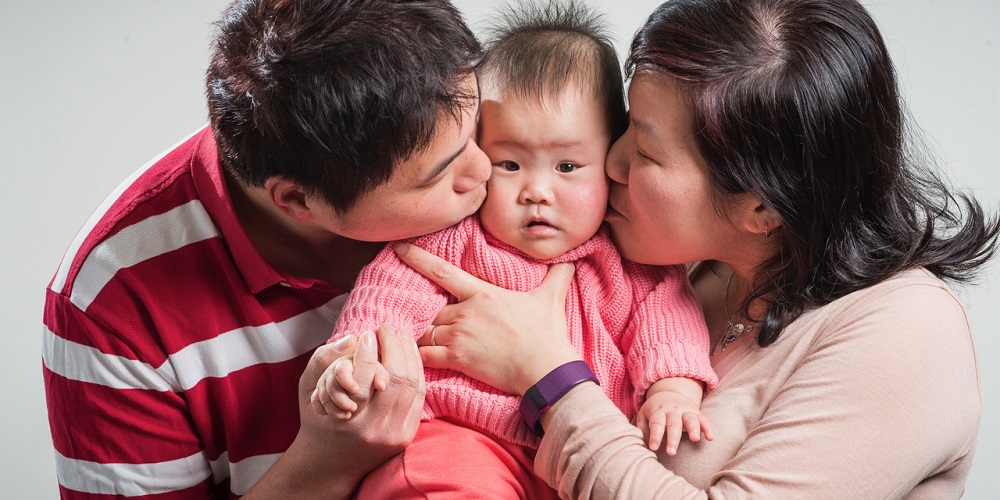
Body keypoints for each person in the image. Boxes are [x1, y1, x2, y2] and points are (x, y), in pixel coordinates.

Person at [387, 0, 1000, 497]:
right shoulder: (678, 270)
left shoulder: (906, 333)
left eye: (646, 153)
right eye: (621, 129)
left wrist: (549, 376)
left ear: (760, 206)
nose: (612, 164)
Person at [41, 0, 488, 497]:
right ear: (298, 200)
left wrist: (549, 366)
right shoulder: (111, 303)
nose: (489, 169)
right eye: (442, 174)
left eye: (480, 130)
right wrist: (327, 460)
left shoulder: (516, 165)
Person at [312, 2, 717, 496]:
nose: (537, 191)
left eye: (567, 167)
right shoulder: (452, 239)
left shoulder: (632, 259)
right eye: (509, 164)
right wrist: (357, 363)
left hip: (572, 455)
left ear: (611, 155)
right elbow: (388, 298)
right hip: (461, 436)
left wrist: (674, 389)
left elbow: (668, 325)